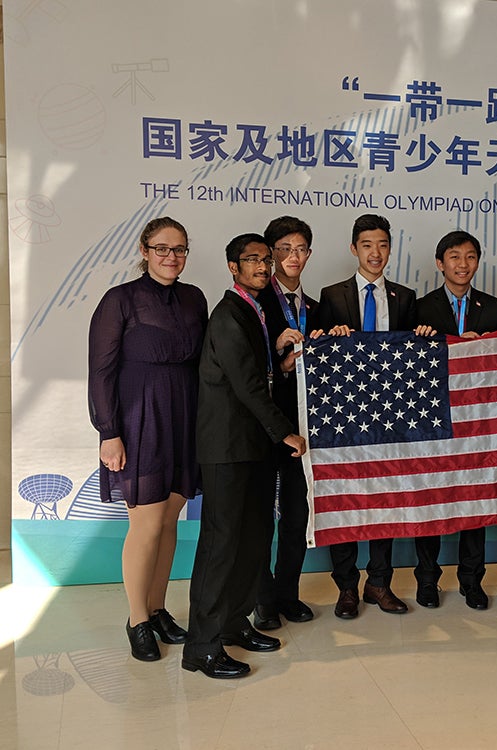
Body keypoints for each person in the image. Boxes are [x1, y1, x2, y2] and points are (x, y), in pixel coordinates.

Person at [183, 233, 306, 679]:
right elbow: (246, 386)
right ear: (232, 267)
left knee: (253, 539)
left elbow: (258, 371)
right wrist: (285, 433)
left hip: (252, 447)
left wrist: (281, 363)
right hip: (228, 448)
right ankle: (201, 645)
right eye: (251, 260)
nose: (262, 266)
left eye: (265, 259)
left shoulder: (254, 310)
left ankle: (234, 625)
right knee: (222, 546)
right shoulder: (229, 313)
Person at [87, 216, 207, 661]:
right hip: (140, 419)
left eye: (179, 249)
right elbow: (100, 372)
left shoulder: (194, 298)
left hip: (184, 414)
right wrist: (108, 432)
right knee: (146, 523)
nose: (171, 257)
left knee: (170, 519)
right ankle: (137, 619)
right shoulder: (120, 300)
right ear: (144, 250)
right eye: (162, 248)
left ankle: (157, 609)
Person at [314, 214, 434, 619]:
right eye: (367, 244)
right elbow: (317, 359)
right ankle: (347, 587)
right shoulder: (330, 296)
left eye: (382, 244)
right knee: (346, 502)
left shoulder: (405, 297)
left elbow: (413, 358)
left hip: (390, 417)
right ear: (354, 249)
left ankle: (379, 584)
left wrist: (423, 339)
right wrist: (327, 339)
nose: (375, 252)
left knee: (385, 501)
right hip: (344, 417)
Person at [415, 230, 497, 610]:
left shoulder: (496, 309)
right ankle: (426, 580)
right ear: (440, 263)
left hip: (477, 422)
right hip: (432, 420)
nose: (463, 264)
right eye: (454, 257)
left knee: (474, 502)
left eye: (470, 257)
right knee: (432, 502)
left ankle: (472, 580)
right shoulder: (418, 309)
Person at [252, 216, 318, 631]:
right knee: (260, 516)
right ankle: (261, 600)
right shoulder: (255, 304)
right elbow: (245, 371)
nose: (293, 257)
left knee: (296, 514)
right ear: (270, 254)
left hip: (303, 426)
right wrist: (282, 362)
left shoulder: (315, 306)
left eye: (301, 250)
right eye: (284, 249)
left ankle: (288, 594)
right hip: (262, 425)